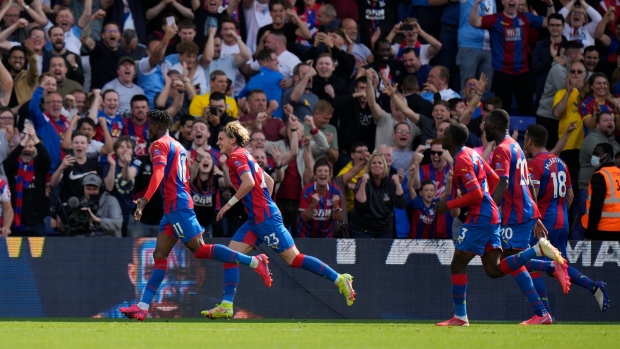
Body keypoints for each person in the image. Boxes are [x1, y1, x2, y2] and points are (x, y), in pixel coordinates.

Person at [119, 111, 272, 322]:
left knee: (200, 250)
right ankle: (143, 307)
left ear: (155, 126)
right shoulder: (179, 146)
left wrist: (144, 199)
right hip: (173, 207)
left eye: (149, 126)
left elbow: (159, 174)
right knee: (160, 256)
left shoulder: (158, 145)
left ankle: (255, 262)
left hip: (177, 206)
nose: (147, 129)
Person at [202, 121, 355, 319]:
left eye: (221, 138)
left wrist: (229, 204)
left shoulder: (236, 157)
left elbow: (248, 183)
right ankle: (227, 304)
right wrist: (262, 205)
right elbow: (269, 181)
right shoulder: (245, 155)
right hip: (256, 220)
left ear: (232, 140)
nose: (217, 141)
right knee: (230, 255)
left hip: (265, 220)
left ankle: (340, 279)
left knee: (294, 259)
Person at [433, 123, 567, 326]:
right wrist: (488, 203)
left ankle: (460, 317)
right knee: (494, 270)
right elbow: (494, 179)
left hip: (481, 218)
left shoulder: (462, 159)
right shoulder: (471, 153)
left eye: (444, 134)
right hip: (491, 215)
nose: (441, 137)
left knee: (458, 264)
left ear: (451, 140)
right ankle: (543, 260)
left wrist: (449, 204)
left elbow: (478, 193)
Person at [485, 109, 570, 320]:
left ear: (493, 125)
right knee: (513, 262)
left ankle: (550, 265)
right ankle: (542, 312)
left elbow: (504, 182)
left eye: (486, 123)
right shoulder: (515, 147)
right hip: (524, 212)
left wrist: (490, 209)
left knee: (507, 262)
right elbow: (527, 184)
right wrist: (536, 214)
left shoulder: (502, 150)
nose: (484, 126)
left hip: (516, 215)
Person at [525, 125, 610, 312]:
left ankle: (544, 313)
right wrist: (560, 213)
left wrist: (535, 220)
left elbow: (533, 197)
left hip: (543, 223)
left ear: (529, 140)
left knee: (529, 263)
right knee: (559, 265)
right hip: (561, 222)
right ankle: (593, 286)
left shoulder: (534, 164)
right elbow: (570, 196)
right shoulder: (561, 163)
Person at [3, 122, 51, 236]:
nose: (27, 149)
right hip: (16, 223)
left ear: (36, 149)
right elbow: (7, 163)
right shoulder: (13, 166)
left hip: (36, 223)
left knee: (39, 254)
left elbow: (47, 159)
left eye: (30, 146)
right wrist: (21, 144)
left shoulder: (39, 166)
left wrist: (35, 138)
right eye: (25, 146)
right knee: (15, 254)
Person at [348, 152, 406, 238]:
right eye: (374, 163)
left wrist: (398, 184)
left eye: (380, 163)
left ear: (384, 166)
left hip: (384, 230)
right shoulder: (363, 180)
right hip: (362, 229)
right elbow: (359, 205)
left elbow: (401, 204)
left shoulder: (391, 181)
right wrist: (363, 183)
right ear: (370, 166)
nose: (377, 165)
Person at [51, 173, 123, 237]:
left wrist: (96, 219)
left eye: (94, 189)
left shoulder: (111, 201)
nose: (91, 192)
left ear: (100, 189)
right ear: (83, 189)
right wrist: (60, 225)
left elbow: (118, 223)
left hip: (110, 242)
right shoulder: (82, 202)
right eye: (88, 189)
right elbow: (76, 228)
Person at [582, 142, 620, 241]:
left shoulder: (600, 176)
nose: (593, 157)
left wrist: (590, 233)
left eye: (597, 154)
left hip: (604, 230)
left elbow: (596, 207)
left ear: (606, 156)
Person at [296, 158, 342, 238]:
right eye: (320, 171)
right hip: (306, 234)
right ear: (314, 175)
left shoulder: (335, 191)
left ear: (330, 175)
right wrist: (313, 205)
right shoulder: (307, 191)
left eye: (326, 171)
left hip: (326, 235)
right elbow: (304, 218)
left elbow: (336, 219)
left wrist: (336, 207)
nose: (323, 173)